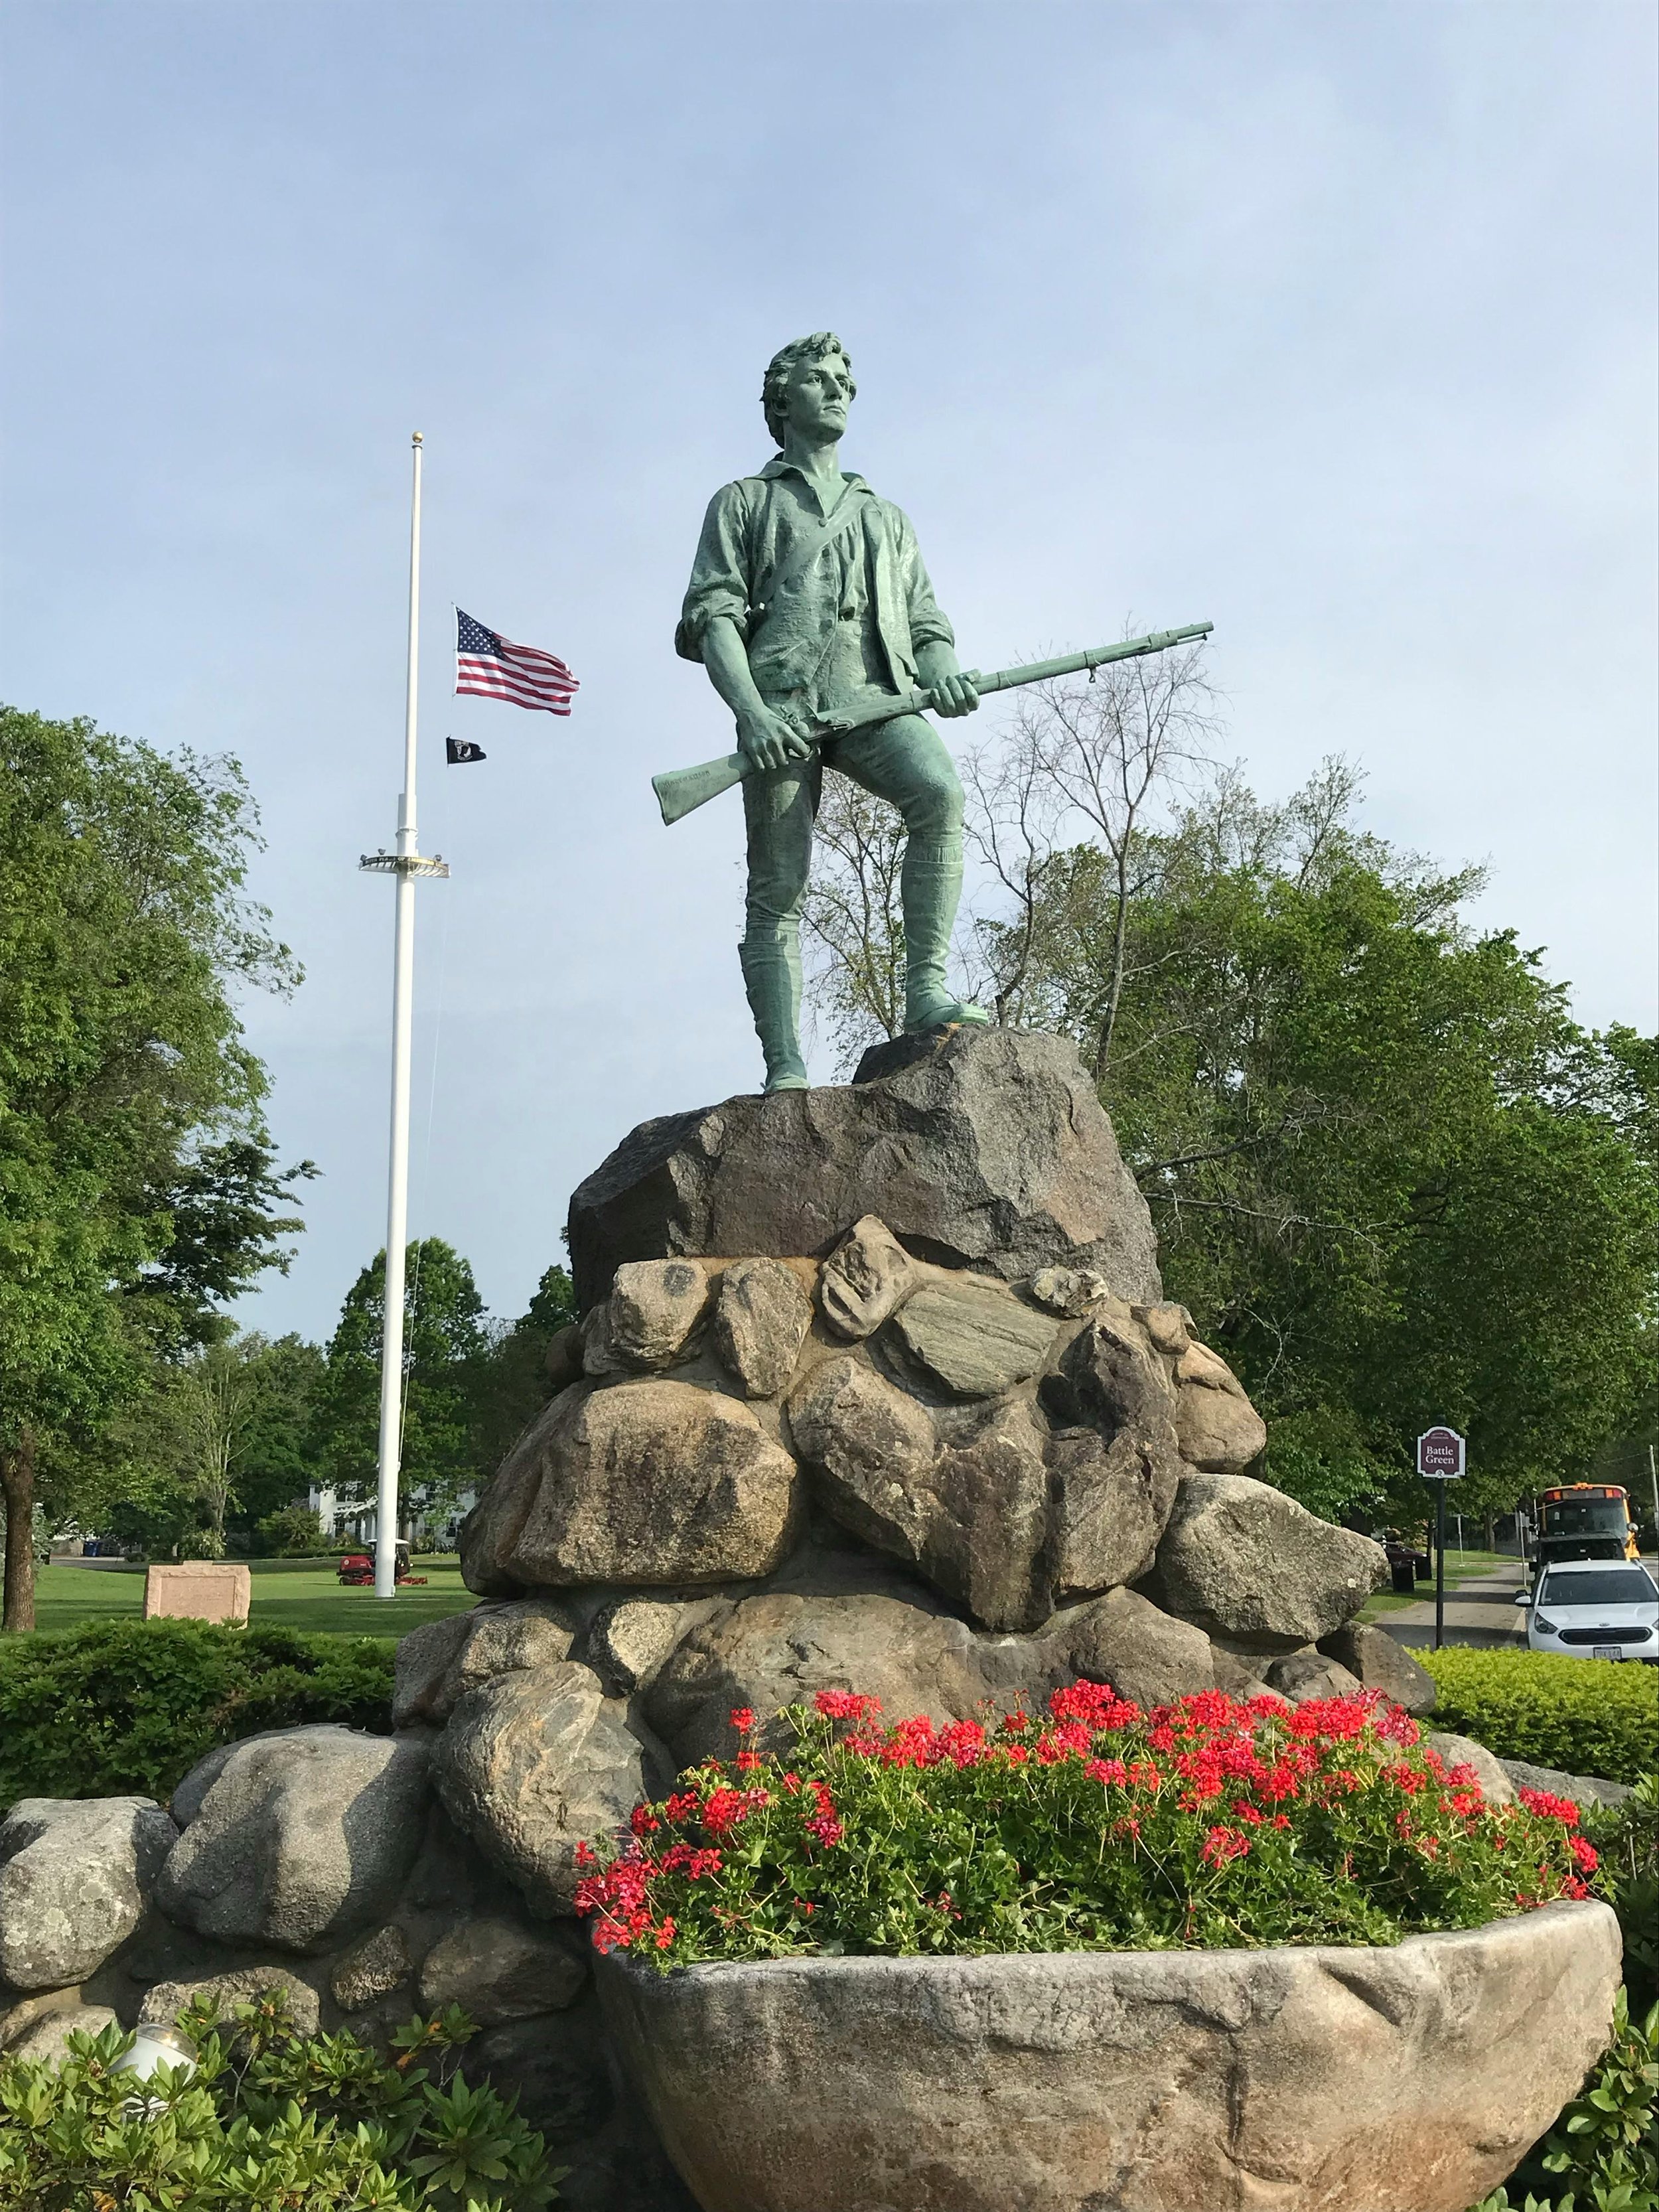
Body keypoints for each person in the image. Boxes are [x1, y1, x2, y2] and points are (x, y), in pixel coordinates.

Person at [677, 331, 987, 1092]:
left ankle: (926, 990)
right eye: (818, 379)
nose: (839, 389)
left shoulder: (886, 517)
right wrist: (750, 713)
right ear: (782, 401)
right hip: (781, 710)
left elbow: (925, 623)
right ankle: (784, 1063)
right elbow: (713, 618)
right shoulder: (743, 502)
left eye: (844, 378)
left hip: (873, 699)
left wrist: (943, 671)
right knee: (778, 888)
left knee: (940, 794)